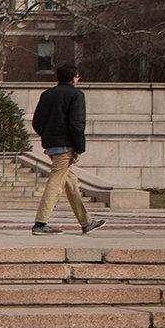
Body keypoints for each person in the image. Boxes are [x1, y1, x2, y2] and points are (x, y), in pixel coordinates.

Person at [32, 65, 106, 236]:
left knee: (71, 183)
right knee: (55, 183)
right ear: (73, 78)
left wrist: (48, 136)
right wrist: (79, 147)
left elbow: (37, 122)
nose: (78, 79)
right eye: (78, 76)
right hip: (65, 146)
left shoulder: (47, 94)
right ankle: (40, 222)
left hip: (51, 145)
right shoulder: (76, 95)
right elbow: (76, 124)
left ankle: (86, 222)